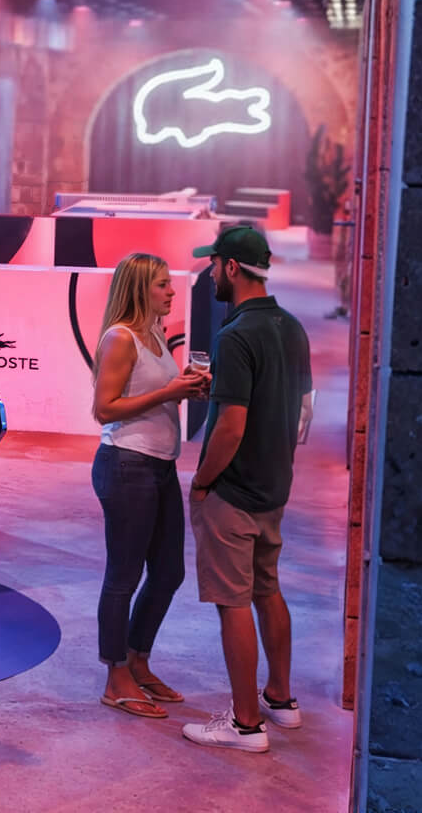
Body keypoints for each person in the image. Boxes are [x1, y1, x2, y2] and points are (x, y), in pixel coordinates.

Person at [183, 225, 313, 752]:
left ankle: (245, 724)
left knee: (232, 602)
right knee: (266, 588)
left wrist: (202, 482)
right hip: (273, 485)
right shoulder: (292, 326)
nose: (210, 273)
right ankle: (281, 700)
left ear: (232, 268)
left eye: (213, 264)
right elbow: (300, 410)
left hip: (233, 491)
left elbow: (231, 427)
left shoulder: (236, 335)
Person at [90, 253, 208, 720]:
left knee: (168, 572)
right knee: (123, 576)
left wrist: (186, 387)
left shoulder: (155, 333)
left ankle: (138, 659)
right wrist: (170, 393)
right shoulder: (120, 337)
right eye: (162, 284)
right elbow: (104, 408)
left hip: (160, 466)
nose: (172, 291)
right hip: (126, 464)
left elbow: (154, 394)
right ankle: (115, 675)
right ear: (140, 288)